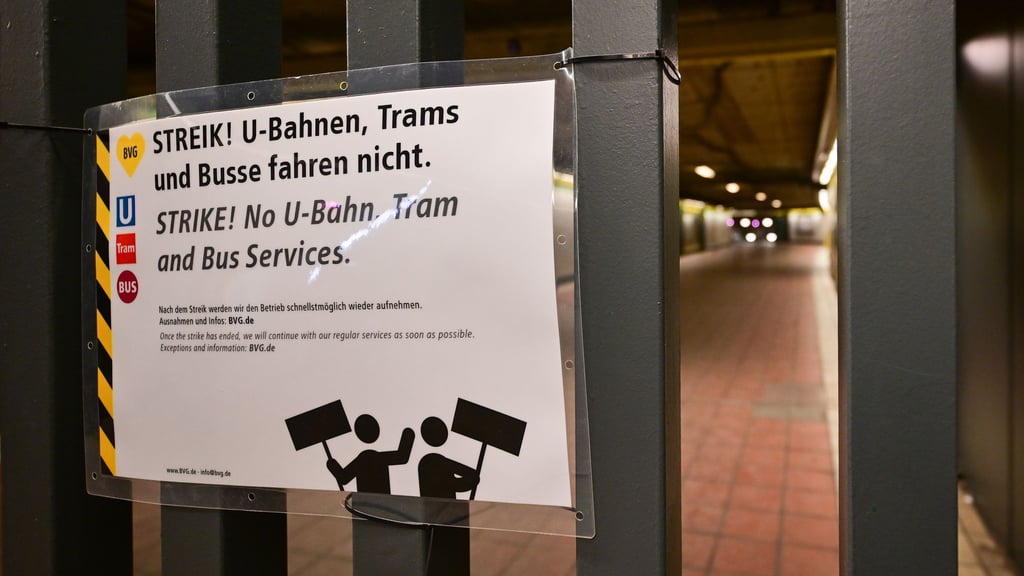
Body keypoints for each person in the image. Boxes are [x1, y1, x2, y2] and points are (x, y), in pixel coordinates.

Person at [326, 414, 414, 494]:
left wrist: (332, 464)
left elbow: (344, 478)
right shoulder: (372, 457)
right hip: (380, 502)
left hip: (367, 503)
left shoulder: (365, 458)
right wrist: (408, 434)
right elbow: (401, 457)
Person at [417, 416, 478, 498]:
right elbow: (472, 477)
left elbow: (472, 477)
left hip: (445, 507)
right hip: (441, 507)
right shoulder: (433, 461)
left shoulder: (430, 461)